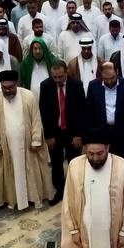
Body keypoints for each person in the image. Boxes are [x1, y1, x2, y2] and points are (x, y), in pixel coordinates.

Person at [0, 70, 51, 211]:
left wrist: (36, 140)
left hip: (27, 144)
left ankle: (32, 198)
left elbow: (36, 119)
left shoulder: (28, 96)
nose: (7, 90)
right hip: (7, 145)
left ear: (16, 84)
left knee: (30, 171)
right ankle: (14, 199)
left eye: (10, 87)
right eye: (4, 87)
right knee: (11, 173)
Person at [38, 60, 86, 204]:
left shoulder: (76, 85)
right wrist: (48, 136)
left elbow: (82, 111)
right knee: (56, 163)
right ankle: (60, 190)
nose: (58, 80)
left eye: (60, 77)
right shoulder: (45, 86)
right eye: (55, 77)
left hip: (72, 132)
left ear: (66, 72)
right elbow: (44, 112)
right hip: (55, 132)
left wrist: (79, 135)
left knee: (74, 163)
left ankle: (75, 191)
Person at [86, 60, 124, 162]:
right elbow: (89, 113)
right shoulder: (93, 86)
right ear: (101, 74)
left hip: (122, 133)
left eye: (112, 78)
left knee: (122, 162)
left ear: (117, 72)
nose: (109, 82)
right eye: (106, 79)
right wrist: (91, 137)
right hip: (101, 133)